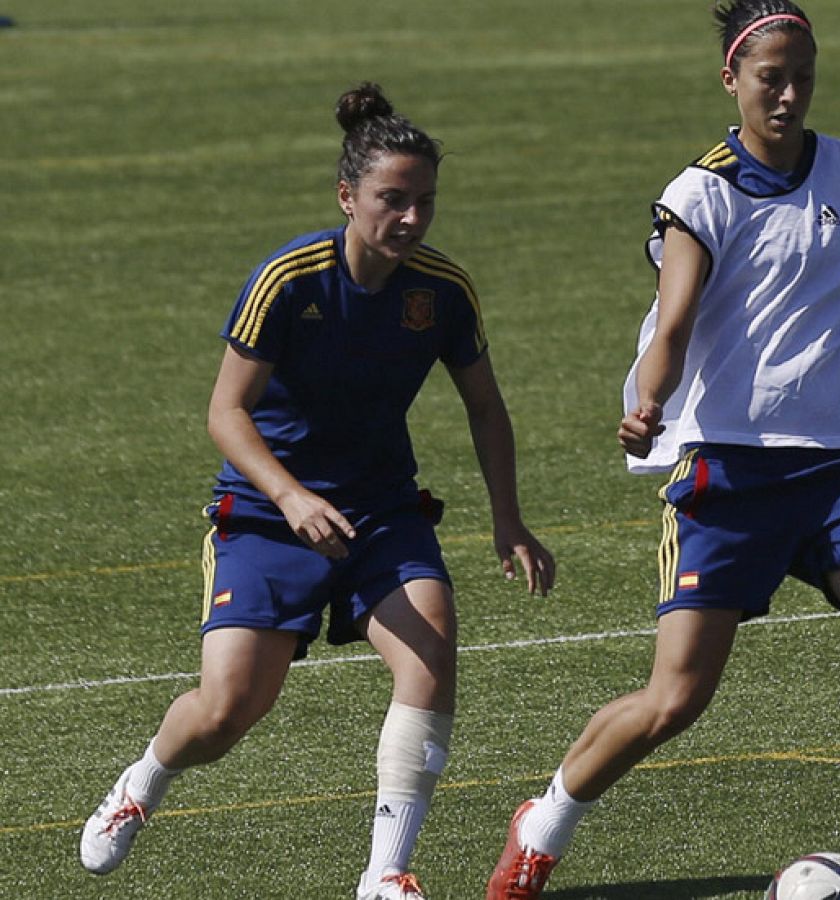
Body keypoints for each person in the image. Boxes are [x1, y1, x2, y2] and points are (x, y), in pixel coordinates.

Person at [484, 3, 840, 898]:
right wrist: (648, 400)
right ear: (731, 79)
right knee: (675, 700)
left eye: (802, 75)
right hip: (731, 468)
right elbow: (675, 318)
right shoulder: (700, 193)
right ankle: (542, 826)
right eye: (769, 76)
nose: (787, 93)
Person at [79, 82, 556, 900]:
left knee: (431, 656)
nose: (411, 220)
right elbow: (226, 413)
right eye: (392, 201)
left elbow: (485, 404)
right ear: (348, 196)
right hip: (269, 514)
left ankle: (385, 875)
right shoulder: (288, 279)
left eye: (425, 202)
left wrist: (508, 517)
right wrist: (293, 498)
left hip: (380, 510)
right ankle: (142, 782)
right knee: (230, 709)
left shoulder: (442, 290)